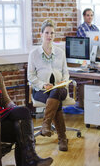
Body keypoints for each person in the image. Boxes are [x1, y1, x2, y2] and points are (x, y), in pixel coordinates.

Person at [0, 40, 53, 166]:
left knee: (22, 115)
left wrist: (15, 111)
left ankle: (30, 159)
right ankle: (31, 159)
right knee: (21, 132)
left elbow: (6, 101)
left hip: (1, 115)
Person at [28, 20, 69, 151]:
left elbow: (66, 73)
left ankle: (45, 124)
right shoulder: (34, 54)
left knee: (56, 92)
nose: (49, 36)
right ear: (41, 34)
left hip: (60, 88)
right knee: (55, 101)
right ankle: (62, 138)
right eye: (46, 33)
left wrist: (63, 82)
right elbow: (30, 76)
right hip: (41, 90)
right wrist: (42, 84)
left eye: (52, 33)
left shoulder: (60, 52)